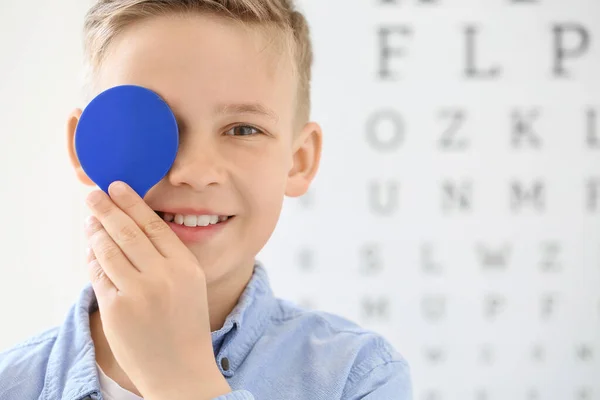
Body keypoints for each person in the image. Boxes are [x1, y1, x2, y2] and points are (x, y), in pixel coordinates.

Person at [0, 1, 412, 399]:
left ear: (298, 160)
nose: (194, 172)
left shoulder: (359, 377)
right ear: (85, 146)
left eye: (243, 130)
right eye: (150, 125)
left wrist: (180, 382)